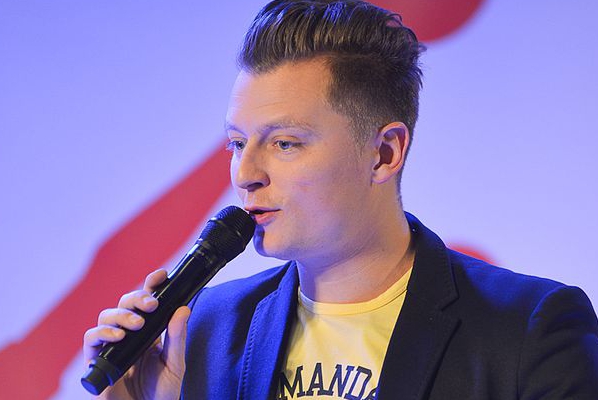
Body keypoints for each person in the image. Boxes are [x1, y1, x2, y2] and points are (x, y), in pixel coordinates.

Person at [83, 0, 598, 399]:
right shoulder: (207, 330)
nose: (246, 174)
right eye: (237, 144)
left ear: (384, 153)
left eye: (285, 143)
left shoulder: (529, 330)